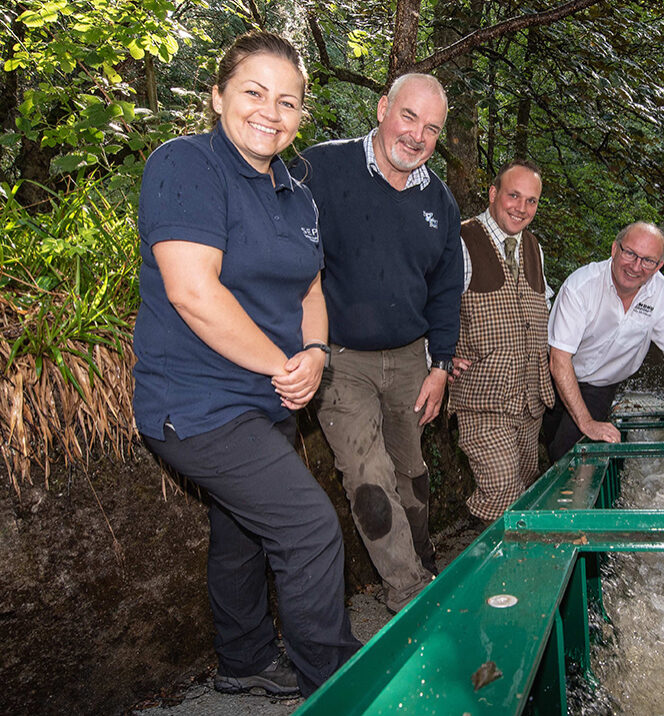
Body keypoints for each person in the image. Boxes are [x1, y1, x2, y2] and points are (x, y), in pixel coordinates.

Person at [131, 31, 361, 697]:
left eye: (288, 101)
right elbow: (192, 291)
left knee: (242, 534)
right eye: (254, 92)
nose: (271, 111)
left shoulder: (297, 193)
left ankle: (244, 662)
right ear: (217, 97)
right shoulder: (186, 165)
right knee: (310, 527)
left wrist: (314, 354)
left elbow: (312, 292)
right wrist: (283, 366)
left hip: (270, 400)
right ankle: (341, 685)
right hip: (197, 404)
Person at [295, 74, 462, 614]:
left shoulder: (440, 201)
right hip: (340, 360)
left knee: (411, 469)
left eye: (431, 128)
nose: (416, 136)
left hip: (412, 358)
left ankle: (422, 559)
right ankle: (410, 593)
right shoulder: (320, 170)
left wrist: (439, 365)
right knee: (367, 475)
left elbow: (444, 291)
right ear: (383, 106)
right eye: (409, 117)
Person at [544, 221, 664, 461]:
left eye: (648, 260)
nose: (636, 266)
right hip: (555, 372)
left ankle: (568, 488)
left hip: (601, 385)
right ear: (615, 249)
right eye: (630, 253)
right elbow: (559, 360)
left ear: (659, 266)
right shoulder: (581, 287)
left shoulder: (663, 298)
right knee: (546, 437)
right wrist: (586, 422)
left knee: (571, 450)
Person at [449, 161, 555, 523]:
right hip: (483, 399)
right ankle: (494, 576)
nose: (521, 208)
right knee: (504, 495)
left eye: (531, 201)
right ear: (494, 194)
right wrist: (438, 354)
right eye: (513, 196)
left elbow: (543, 307)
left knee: (525, 490)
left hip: (530, 401)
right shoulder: (461, 239)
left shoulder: (534, 248)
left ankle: (513, 570)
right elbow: (428, 301)